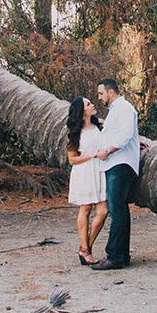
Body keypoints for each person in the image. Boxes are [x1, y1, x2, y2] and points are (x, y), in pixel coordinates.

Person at [90, 78, 140, 270]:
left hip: (119, 164)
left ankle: (116, 257)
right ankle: (121, 256)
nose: (99, 98)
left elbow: (126, 134)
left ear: (111, 92)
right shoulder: (116, 111)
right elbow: (126, 134)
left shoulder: (124, 108)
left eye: (101, 94)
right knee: (118, 209)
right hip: (115, 163)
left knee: (116, 209)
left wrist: (108, 151)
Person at [66, 96, 108, 266]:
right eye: (88, 104)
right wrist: (91, 155)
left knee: (103, 211)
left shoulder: (99, 126)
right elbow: (72, 159)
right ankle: (85, 250)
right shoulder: (76, 133)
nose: (92, 105)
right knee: (85, 209)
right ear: (81, 111)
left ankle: (85, 248)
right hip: (84, 172)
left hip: (99, 170)